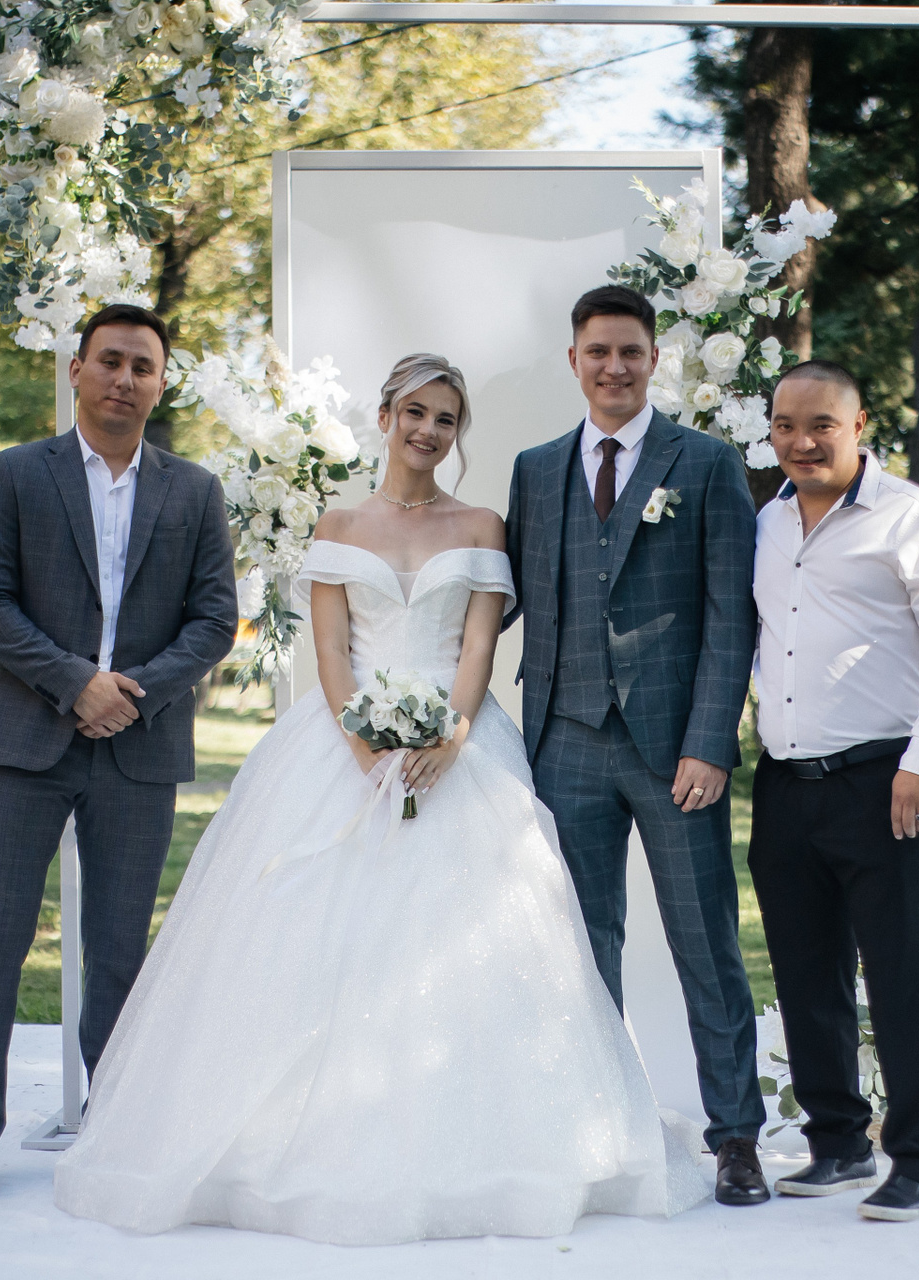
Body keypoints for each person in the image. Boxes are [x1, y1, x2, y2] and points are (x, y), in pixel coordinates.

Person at [53, 354, 710, 1244]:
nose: (428, 431)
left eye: (446, 419)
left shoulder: (479, 524)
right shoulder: (339, 524)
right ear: (386, 416)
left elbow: (477, 649)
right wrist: (364, 744)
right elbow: (330, 652)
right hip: (339, 747)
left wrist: (452, 737)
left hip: (459, 746)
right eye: (415, 413)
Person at [0, 304, 239, 1196]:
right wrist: (76, 682)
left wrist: (128, 694)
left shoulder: (194, 491)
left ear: (161, 384)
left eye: (142, 367)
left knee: (118, 951)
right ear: (77, 369)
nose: (124, 379)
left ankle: (113, 1129)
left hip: (137, 748)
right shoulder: (15, 474)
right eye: (110, 361)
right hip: (25, 741)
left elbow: (214, 620)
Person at [505, 286, 768, 1207]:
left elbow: (732, 617)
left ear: (655, 359)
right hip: (564, 741)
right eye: (597, 352)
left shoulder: (707, 464)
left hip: (674, 751)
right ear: (573, 361)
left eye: (629, 351)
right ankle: (596, 1129)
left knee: (705, 942)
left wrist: (711, 742)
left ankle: (736, 1136)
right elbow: (508, 594)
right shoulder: (536, 469)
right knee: (581, 948)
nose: (613, 367)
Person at [746, 361, 919, 1222]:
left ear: (860, 425)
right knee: (805, 972)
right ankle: (839, 1143)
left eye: (821, 425)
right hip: (784, 783)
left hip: (885, 780)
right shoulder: (767, 522)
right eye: (785, 426)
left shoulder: (915, 521)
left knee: (900, 972)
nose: (802, 442)